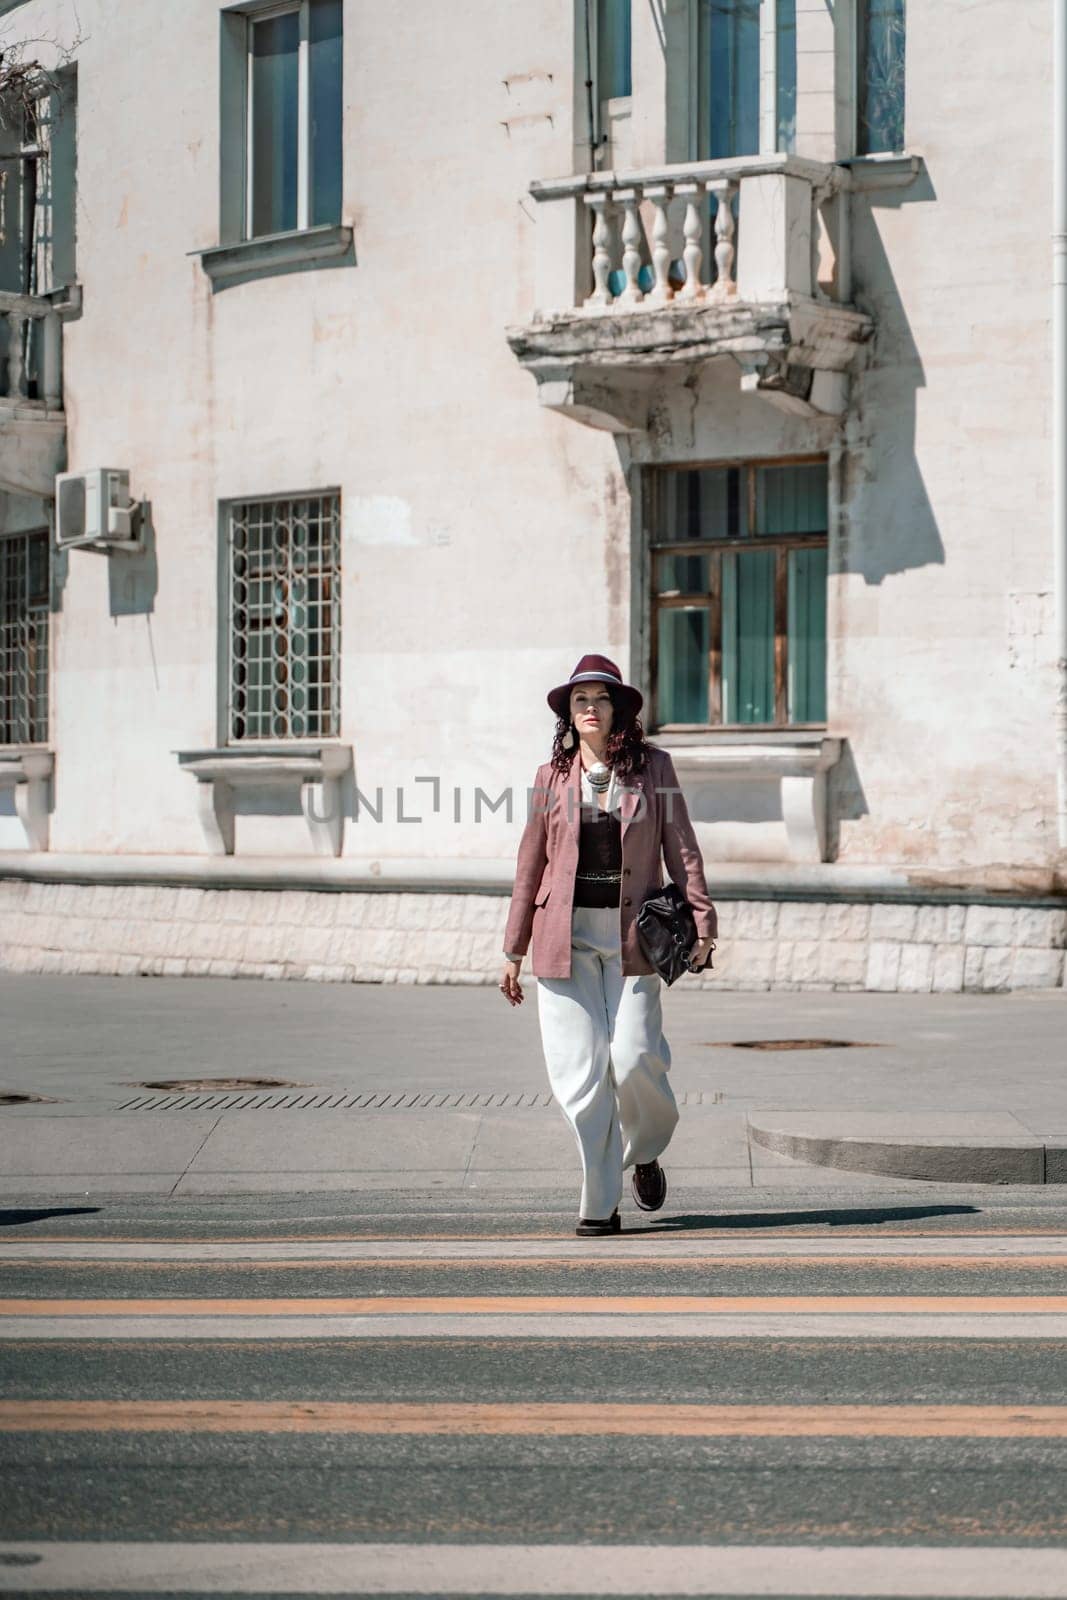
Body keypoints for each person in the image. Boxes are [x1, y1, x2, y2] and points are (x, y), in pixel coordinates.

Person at [499, 653, 717, 1237]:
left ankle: (643, 1149)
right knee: (581, 1076)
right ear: (568, 715)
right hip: (562, 940)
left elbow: (682, 848)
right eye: (579, 700)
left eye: (600, 698)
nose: (590, 708)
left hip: (632, 941)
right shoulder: (551, 778)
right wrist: (512, 949)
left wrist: (703, 923)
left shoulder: (653, 769)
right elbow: (530, 863)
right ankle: (600, 1205)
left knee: (635, 1057)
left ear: (618, 709)